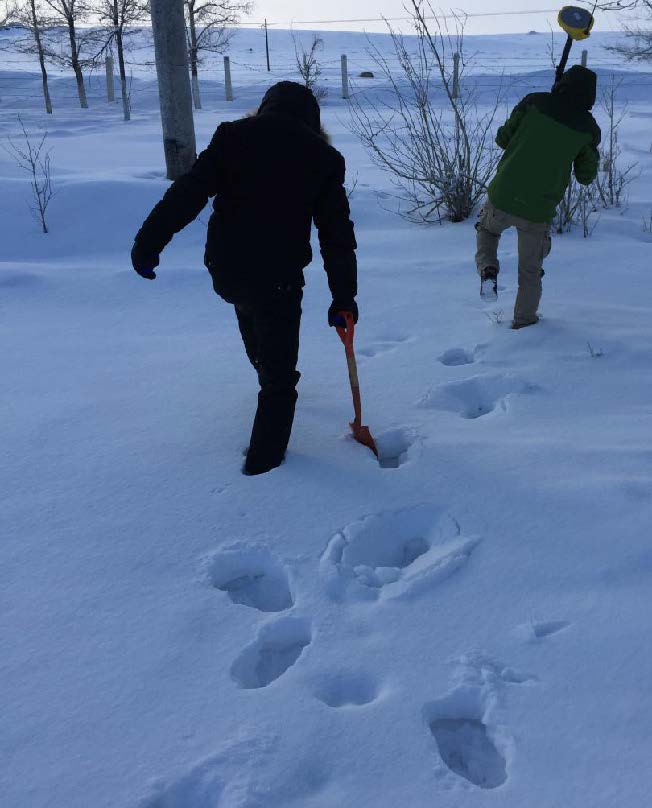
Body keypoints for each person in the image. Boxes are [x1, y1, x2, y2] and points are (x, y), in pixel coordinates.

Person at [131, 82, 358, 475]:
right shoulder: (322, 158)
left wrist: (149, 242)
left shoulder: (233, 137)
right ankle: (264, 470)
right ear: (313, 120)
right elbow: (336, 238)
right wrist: (343, 298)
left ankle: (264, 362)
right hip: (278, 278)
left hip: (225, 269)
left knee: (249, 308)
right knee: (280, 381)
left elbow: (188, 192)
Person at [475, 65, 601, 329]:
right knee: (530, 272)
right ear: (590, 97)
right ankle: (525, 322)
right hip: (538, 209)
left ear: (562, 83)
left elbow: (502, 138)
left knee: (487, 231)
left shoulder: (535, 102)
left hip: (503, 195)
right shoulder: (588, 129)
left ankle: (488, 270)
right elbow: (586, 176)